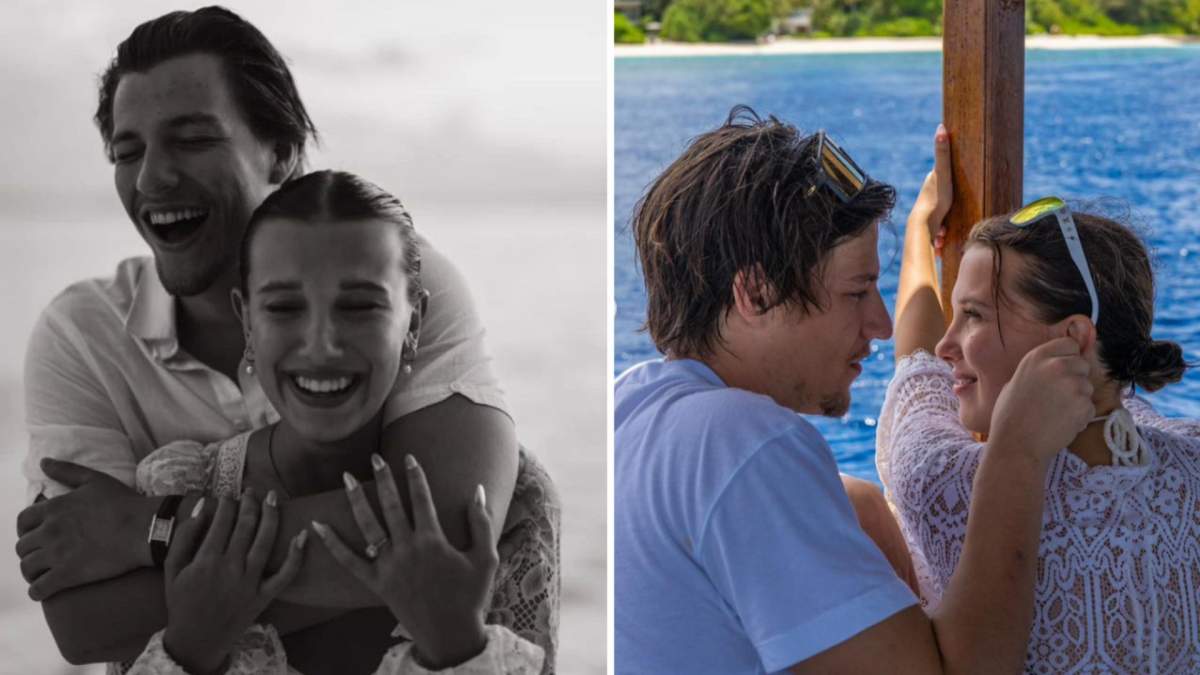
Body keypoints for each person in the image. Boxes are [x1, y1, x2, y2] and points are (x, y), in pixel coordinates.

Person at [13, 7, 552, 672]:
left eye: (192, 139)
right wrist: (372, 569)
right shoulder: (82, 335)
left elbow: (446, 532)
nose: (151, 178)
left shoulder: (395, 279)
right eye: (127, 153)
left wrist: (145, 530)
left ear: (282, 153)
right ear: (247, 317)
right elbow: (83, 624)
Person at [614, 106, 1097, 673]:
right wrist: (1016, 454)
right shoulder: (743, 444)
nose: (881, 324)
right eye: (856, 292)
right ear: (757, 294)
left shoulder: (630, 407)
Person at [122, 170, 544, 674]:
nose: (321, 345)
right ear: (247, 322)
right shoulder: (178, 483)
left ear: (413, 324)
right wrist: (190, 648)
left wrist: (455, 645)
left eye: (360, 306)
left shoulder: (505, 508)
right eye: (284, 307)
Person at [881, 125, 1199, 672]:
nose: (946, 345)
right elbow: (1119, 405)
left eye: (973, 315)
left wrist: (921, 225)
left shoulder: (949, 483)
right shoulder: (1188, 469)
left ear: (1073, 337)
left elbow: (917, 362)